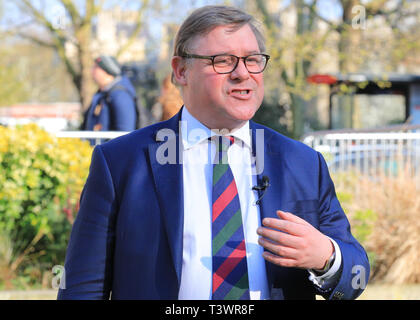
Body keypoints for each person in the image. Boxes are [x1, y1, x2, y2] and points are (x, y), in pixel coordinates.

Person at [58, 5, 369, 300]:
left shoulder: (302, 163)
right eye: (223, 60)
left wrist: (326, 257)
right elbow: (82, 286)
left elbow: (354, 277)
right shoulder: (120, 163)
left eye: (252, 59)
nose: (242, 73)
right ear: (181, 71)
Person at [82, 55, 137, 132]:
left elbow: (125, 131)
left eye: (96, 68)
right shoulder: (103, 93)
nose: (92, 71)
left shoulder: (120, 95)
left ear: (107, 70)